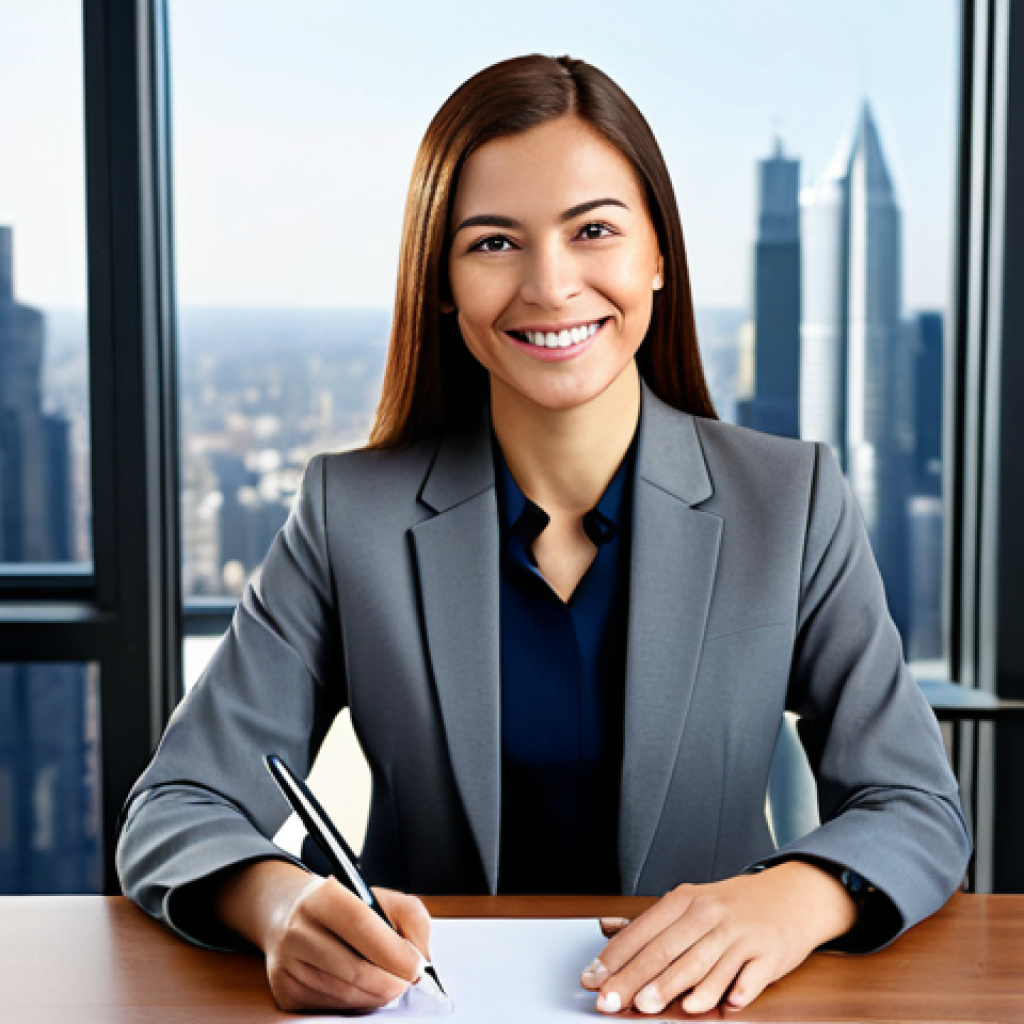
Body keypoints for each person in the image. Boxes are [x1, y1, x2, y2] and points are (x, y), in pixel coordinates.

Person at [117, 54, 971, 1016]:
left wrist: (789, 903)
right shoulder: (347, 514)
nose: (550, 285)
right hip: (420, 1008)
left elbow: (916, 807)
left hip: (706, 1012)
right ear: (440, 281)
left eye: (594, 231)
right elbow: (176, 805)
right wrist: (278, 905)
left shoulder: (792, 501)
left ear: (657, 255)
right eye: (493, 244)